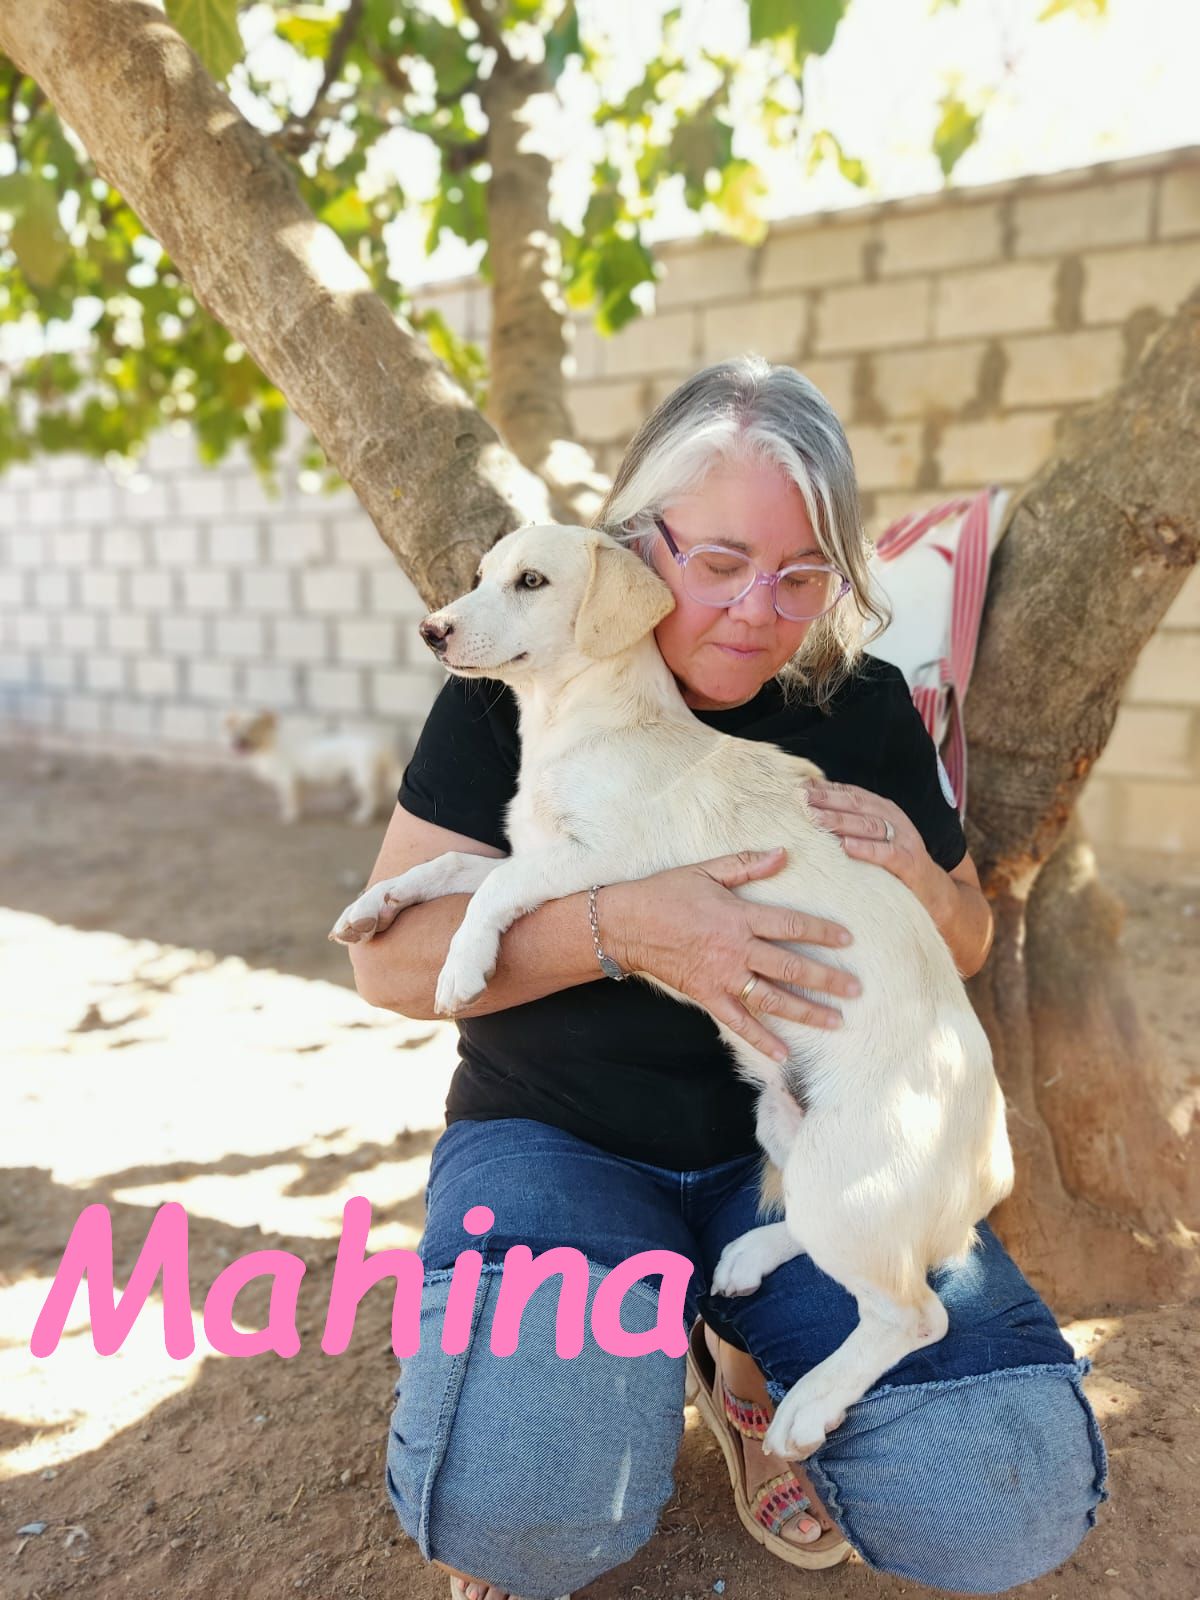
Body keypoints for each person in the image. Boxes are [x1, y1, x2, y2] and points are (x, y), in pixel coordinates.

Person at [347, 357, 1108, 1600]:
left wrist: (920, 872)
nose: (760, 610)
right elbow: (389, 965)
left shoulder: (862, 707)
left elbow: (967, 938)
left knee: (999, 1502)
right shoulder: (522, 668)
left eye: (803, 574)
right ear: (637, 549)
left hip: (805, 1143)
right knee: (519, 1507)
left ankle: (738, 1351)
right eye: (719, 562)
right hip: (566, 1135)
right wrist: (627, 927)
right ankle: (602, 1380)